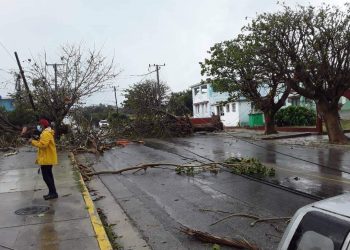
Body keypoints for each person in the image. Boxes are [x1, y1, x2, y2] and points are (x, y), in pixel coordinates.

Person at [31, 118, 58, 200]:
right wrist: (37, 139)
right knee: (49, 176)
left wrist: (32, 142)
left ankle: (53, 193)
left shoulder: (46, 133)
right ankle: (52, 192)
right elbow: (43, 142)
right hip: (47, 158)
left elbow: (43, 145)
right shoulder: (46, 132)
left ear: (43, 125)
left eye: (40, 124)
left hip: (47, 158)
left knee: (46, 177)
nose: (39, 126)